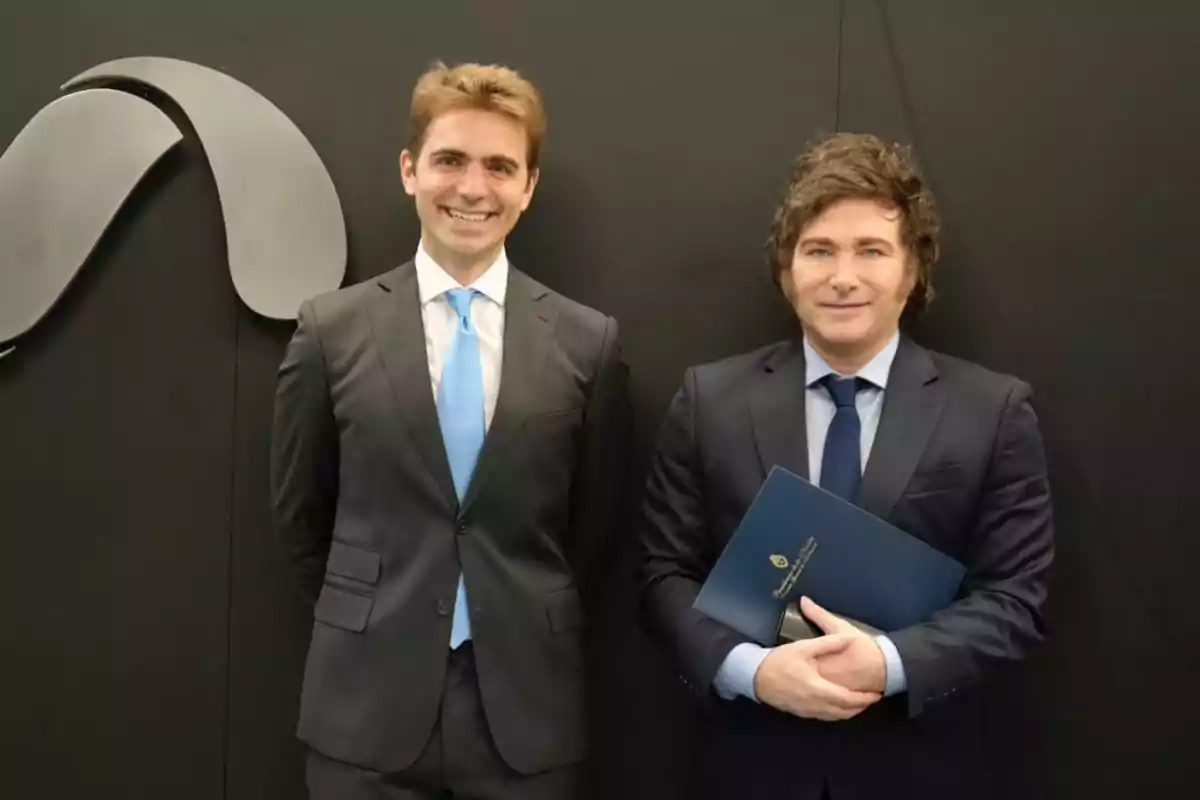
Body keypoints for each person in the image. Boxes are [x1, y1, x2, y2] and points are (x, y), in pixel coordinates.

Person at [636, 132, 1054, 799]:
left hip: (922, 771)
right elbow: (663, 574)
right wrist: (751, 671)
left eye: (871, 250)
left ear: (912, 271)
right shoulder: (707, 401)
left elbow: (1014, 598)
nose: (843, 276)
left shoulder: (994, 411)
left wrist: (888, 664)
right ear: (785, 269)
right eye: (819, 250)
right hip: (747, 767)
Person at [271, 61, 629, 800]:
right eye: (450, 161)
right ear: (410, 170)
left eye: (500, 166)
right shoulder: (330, 332)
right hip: (363, 717)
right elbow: (301, 516)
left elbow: (593, 529)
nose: (472, 187)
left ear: (528, 187)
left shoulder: (587, 342)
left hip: (526, 721)